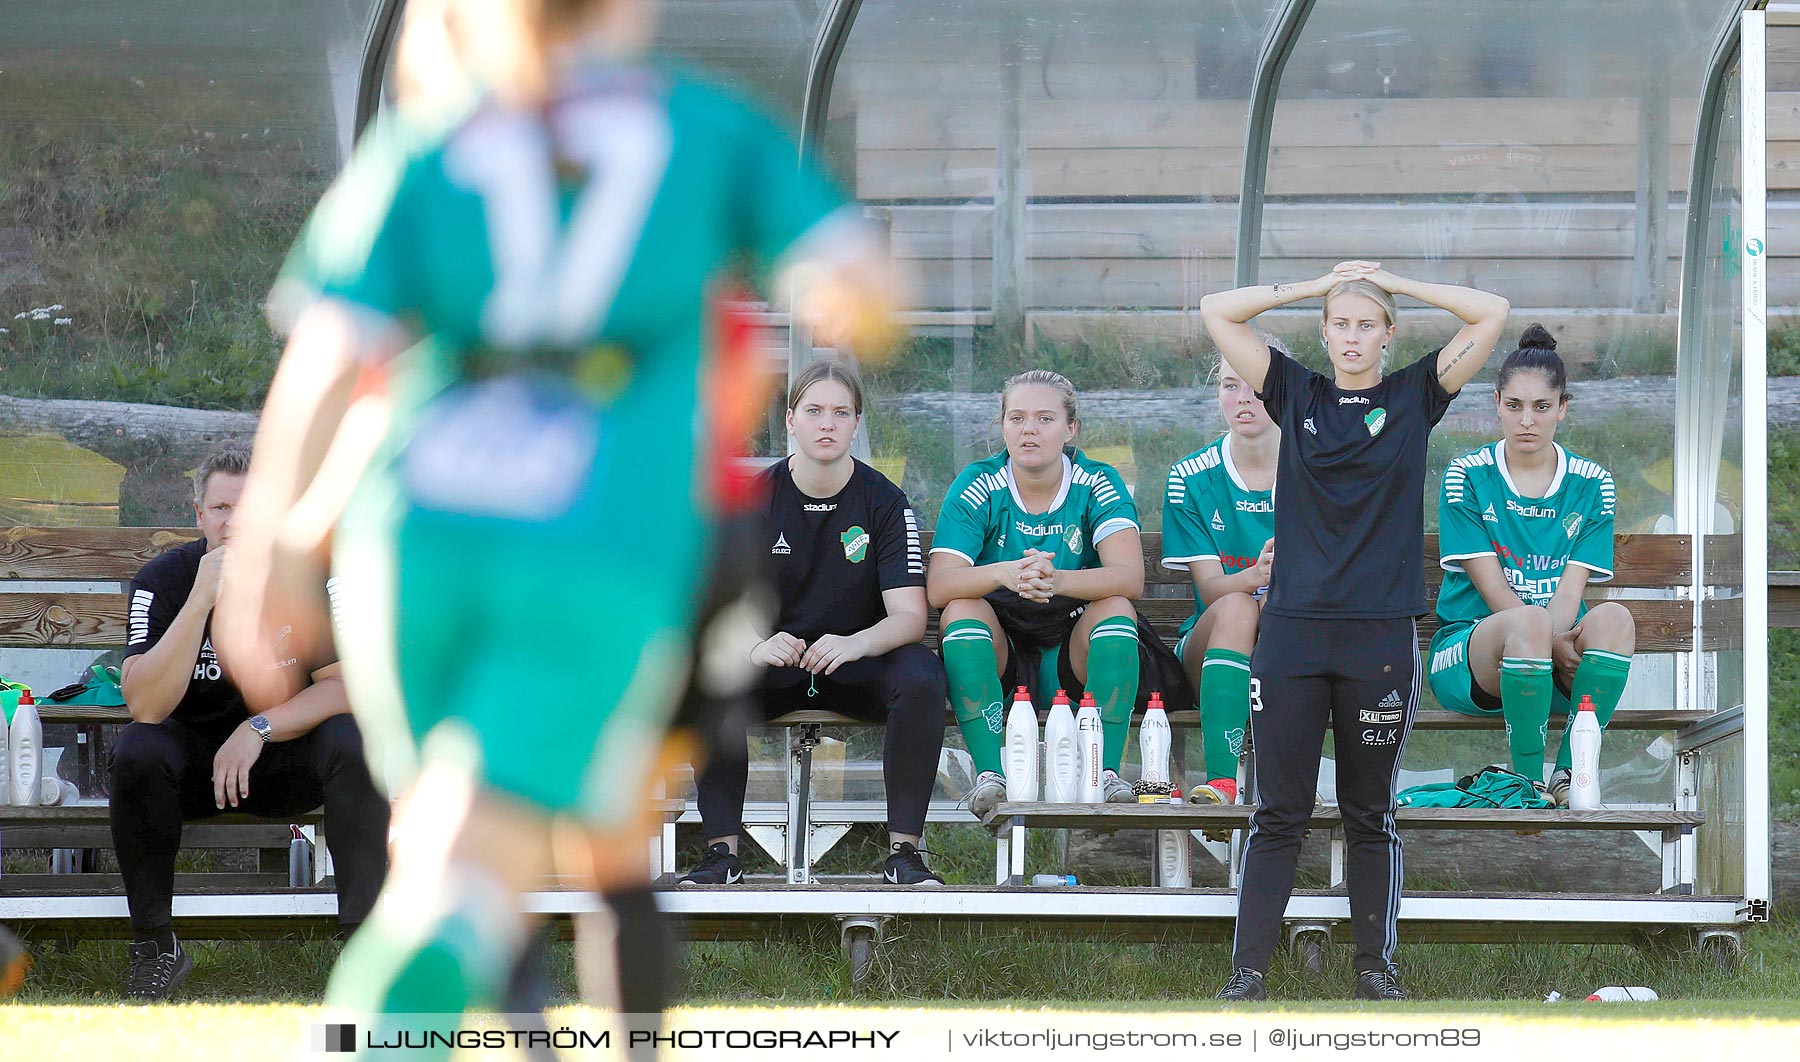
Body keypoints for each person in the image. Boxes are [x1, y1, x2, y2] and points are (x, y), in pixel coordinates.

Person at [214, 0, 896, 1052]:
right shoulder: (702, 128)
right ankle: (465, 1018)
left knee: (454, 832)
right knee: (511, 853)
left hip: (419, 530)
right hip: (600, 532)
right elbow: (866, 293)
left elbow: (330, 358)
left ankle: (493, 1012)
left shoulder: (432, 143)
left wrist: (273, 548)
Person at [1201, 260, 1509, 1001]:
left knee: (1371, 811)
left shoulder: (1414, 395)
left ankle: (1376, 969)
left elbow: (1491, 312)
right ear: (1325, 332)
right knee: (1280, 809)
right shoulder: (1295, 390)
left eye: (1366, 324)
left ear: (1388, 334)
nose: (1351, 336)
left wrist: (1393, 281)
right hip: (1294, 634)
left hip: (1378, 636)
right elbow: (1217, 310)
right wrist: (1318, 286)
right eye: (1340, 323)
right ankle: (1247, 974)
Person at [111, 447, 389, 1002]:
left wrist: (257, 728)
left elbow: (344, 687)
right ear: (198, 515)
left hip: (281, 759)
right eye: (220, 508)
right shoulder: (162, 580)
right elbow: (145, 704)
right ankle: (155, 947)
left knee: (354, 739)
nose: (234, 523)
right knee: (136, 748)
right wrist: (200, 601)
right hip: (190, 768)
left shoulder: (306, 576)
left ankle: (366, 950)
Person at [680, 361, 948, 887]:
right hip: (773, 664)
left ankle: (905, 855)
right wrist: (755, 646)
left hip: (854, 663)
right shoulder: (751, 501)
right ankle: (720, 854)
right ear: (791, 421)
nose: (827, 423)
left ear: (856, 424)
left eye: (841, 412)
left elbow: (910, 616)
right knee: (711, 671)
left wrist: (857, 643)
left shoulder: (886, 503)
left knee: (921, 677)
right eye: (814, 411)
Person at [928, 370, 1160, 818]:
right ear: (1002, 426)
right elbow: (940, 585)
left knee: (1116, 607)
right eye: (1016, 417)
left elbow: (1130, 577)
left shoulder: (1097, 480)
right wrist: (1006, 573)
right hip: (1004, 646)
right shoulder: (979, 483)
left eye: (1044, 418)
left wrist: (1057, 582)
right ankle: (990, 776)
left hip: (1072, 642)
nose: (1028, 429)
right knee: (961, 610)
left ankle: (1105, 774)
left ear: (1071, 428)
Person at [1429, 324, 1635, 802]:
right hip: (1471, 659)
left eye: (1542, 407)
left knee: (1616, 620)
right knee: (1523, 621)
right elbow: (1494, 592)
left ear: (1562, 409)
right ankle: (1527, 785)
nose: (1528, 420)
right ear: (1497, 402)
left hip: (1554, 653)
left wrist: (1551, 640)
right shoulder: (1467, 475)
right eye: (1515, 405)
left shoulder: (1592, 483)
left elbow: (1570, 591)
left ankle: (1568, 774)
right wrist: (1541, 638)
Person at [1161, 359, 1278, 806]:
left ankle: (1288, 782)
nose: (1243, 399)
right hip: (1210, 647)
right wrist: (1258, 576)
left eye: (1256, 387)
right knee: (1237, 606)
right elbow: (1210, 588)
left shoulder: (1316, 469)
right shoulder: (1190, 475)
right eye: (1230, 386)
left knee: (1284, 613)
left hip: (1292, 634)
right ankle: (1221, 783)